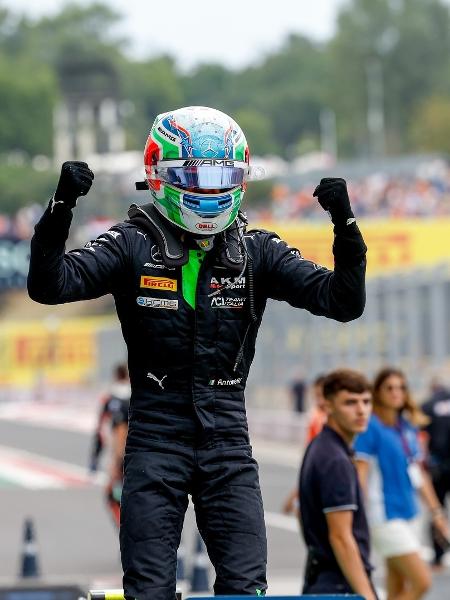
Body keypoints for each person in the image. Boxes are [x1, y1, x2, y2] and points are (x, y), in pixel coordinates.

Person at [27, 105, 367, 600]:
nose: (209, 190)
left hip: (227, 439)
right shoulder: (130, 245)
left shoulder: (257, 251)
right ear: (160, 175)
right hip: (155, 438)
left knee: (246, 588)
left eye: (221, 176)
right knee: (149, 590)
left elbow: (344, 301)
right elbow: (50, 286)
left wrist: (346, 223)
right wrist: (60, 208)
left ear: (240, 178)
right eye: (195, 176)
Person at [354, 367, 450, 600]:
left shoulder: (406, 427)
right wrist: (356, 519)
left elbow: (419, 475)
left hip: (409, 514)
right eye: (389, 388)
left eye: (401, 388)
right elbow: (360, 477)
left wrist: (437, 513)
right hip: (383, 517)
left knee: (397, 585)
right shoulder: (370, 428)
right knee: (422, 582)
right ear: (378, 392)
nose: (396, 393)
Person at [299, 368, 376, 599]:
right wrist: (367, 596)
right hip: (339, 585)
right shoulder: (336, 460)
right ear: (328, 405)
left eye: (366, 401)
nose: (361, 410)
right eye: (350, 402)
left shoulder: (322, 446)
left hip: (323, 580)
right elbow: (341, 538)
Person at [89, 363, 131, 527]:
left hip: (120, 456)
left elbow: (101, 431)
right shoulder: (136, 395)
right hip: (141, 454)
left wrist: (95, 457)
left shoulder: (110, 399)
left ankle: (126, 537)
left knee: (112, 496)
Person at [282, 373, 326, 517]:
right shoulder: (315, 417)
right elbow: (311, 458)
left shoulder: (331, 420)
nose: (320, 400)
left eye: (323, 395)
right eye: (316, 396)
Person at [421, 377, 450, 569]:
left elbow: (422, 436)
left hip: (438, 465)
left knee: (436, 509)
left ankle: (438, 557)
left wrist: (424, 463)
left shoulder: (428, 405)